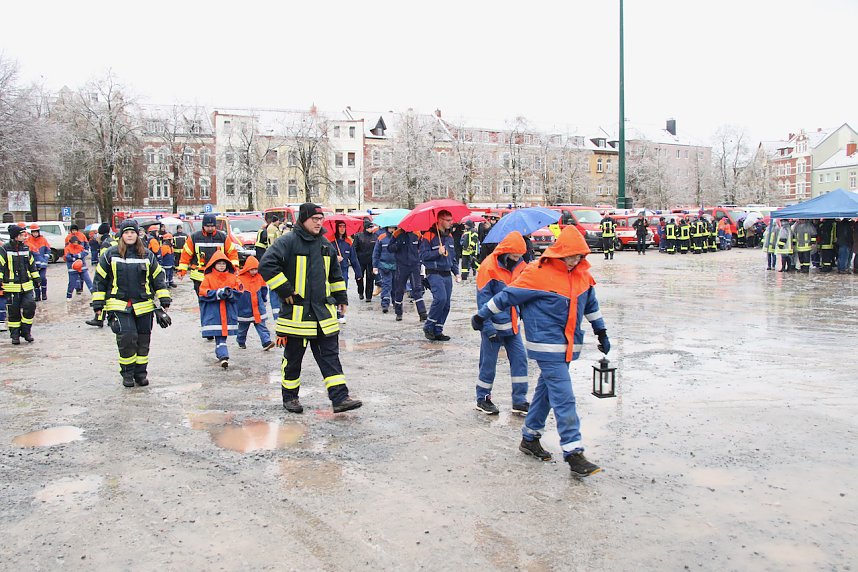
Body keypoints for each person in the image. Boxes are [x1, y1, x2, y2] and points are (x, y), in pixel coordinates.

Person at [472, 225, 608, 477]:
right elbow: (506, 297)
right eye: (570, 255)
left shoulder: (582, 276)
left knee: (545, 393)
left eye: (579, 255)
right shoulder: (537, 273)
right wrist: (482, 316)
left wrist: (601, 330)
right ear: (559, 254)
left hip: (568, 345)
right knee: (564, 396)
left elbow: (591, 304)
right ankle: (573, 452)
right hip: (545, 346)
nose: (574, 260)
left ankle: (530, 438)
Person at [259, 202, 362, 414]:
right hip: (297, 315)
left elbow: (335, 274)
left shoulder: (325, 244)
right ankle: (290, 398)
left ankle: (340, 398)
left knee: (330, 358)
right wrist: (285, 290)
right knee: (293, 360)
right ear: (303, 219)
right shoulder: (287, 242)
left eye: (320, 219)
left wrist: (341, 297)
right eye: (314, 219)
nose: (318, 223)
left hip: (323, 314)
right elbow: (266, 264)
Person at [91, 220, 171, 387]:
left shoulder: (147, 255)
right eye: (126, 232)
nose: (129, 235)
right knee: (127, 338)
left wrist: (164, 298)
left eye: (132, 232)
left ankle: (140, 373)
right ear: (121, 235)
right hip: (119, 305)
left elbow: (158, 278)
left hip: (144, 305)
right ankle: (127, 373)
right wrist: (98, 305)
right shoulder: (110, 254)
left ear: (137, 235)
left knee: (143, 341)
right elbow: (99, 280)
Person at [474, 231, 529, 415]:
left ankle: (519, 401)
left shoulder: (521, 266)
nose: (517, 258)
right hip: (493, 327)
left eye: (519, 255)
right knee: (488, 365)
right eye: (514, 255)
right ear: (506, 252)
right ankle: (482, 398)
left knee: (520, 361)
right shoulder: (488, 267)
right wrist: (487, 327)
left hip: (512, 326)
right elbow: (483, 301)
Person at [419, 209, 460, 341]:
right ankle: (429, 325)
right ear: (440, 220)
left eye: (451, 220)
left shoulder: (449, 237)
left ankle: (438, 330)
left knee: (446, 304)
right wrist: (438, 253)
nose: (451, 223)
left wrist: (456, 272)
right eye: (448, 220)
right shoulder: (428, 236)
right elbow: (423, 256)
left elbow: (452, 257)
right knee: (440, 299)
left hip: (447, 273)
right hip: (434, 273)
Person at [199, 251, 242, 368]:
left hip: (227, 312)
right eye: (219, 264)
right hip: (215, 312)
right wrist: (218, 293)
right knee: (220, 337)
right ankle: (223, 356)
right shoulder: (208, 278)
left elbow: (239, 291)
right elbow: (203, 293)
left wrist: (229, 293)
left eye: (224, 263)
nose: (222, 266)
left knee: (222, 336)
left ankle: (222, 355)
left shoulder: (233, 277)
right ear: (213, 265)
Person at [177, 213, 238, 295]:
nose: (210, 228)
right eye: (207, 226)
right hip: (199, 275)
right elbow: (186, 255)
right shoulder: (194, 237)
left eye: (212, 226)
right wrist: (182, 271)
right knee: (203, 300)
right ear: (203, 226)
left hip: (218, 275)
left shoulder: (223, 237)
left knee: (218, 299)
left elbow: (232, 253)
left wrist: (235, 268)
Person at [1, 224, 39, 344]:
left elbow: (32, 265)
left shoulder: (26, 249)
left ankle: (26, 331)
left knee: (30, 307)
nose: (24, 237)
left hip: (26, 285)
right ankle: (15, 335)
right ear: (15, 236)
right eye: (22, 235)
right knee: (14, 313)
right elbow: (0, 267)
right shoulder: (4, 250)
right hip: (11, 287)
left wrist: (36, 278)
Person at [236, 256, 275, 351]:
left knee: (262, 326)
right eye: (252, 269)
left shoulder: (260, 278)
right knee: (242, 329)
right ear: (247, 269)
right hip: (245, 309)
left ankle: (266, 342)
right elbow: (236, 293)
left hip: (258, 308)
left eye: (256, 269)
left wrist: (264, 301)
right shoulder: (240, 279)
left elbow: (264, 291)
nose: (254, 271)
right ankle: (240, 341)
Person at [389, 225, 427, 323]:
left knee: (417, 289)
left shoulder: (417, 233)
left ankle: (422, 313)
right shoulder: (397, 234)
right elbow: (389, 248)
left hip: (414, 265)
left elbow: (422, 246)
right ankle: (398, 313)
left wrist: (420, 260)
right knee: (399, 290)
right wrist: (397, 245)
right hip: (401, 266)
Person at [85, 224, 119, 327]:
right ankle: (111, 318)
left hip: (108, 273)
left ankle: (99, 319)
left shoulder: (105, 244)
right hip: (115, 271)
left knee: (102, 295)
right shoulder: (113, 241)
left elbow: (104, 261)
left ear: (100, 234)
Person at [331, 222, 362, 324]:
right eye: (340, 226)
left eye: (344, 226)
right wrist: (335, 258)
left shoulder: (349, 242)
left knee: (342, 292)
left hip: (343, 271)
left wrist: (358, 273)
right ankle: (332, 312)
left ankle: (341, 314)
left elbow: (354, 259)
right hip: (332, 271)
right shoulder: (330, 241)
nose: (342, 229)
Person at [372, 226, 397, 314]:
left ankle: (395, 302)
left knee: (395, 285)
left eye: (393, 227)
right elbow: (376, 252)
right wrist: (375, 265)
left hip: (396, 265)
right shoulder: (381, 237)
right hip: (384, 265)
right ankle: (385, 304)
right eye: (390, 227)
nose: (392, 229)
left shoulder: (398, 237)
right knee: (387, 284)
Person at [353, 219, 378, 303]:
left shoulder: (375, 236)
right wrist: (355, 259)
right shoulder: (358, 236)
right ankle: (360, 291)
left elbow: (377, 249)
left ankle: (368, 296)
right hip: (360, 260)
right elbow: (354, 248)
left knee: (370, 278)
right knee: (359, 277)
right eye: (370, 227)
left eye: (372, 227)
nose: (372, 228)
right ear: (366, 227)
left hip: (371, 261)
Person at [25, 224, 50, 301]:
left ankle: (44, 294)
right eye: (33, 232)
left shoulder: (43, 240)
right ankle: (37, 295)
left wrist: (45, 259)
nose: (35, 234)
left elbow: (48, 250)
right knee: (35, 280)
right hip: (33, 264)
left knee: (42, 278)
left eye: (36, 232)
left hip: (43, 264)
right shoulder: (28, 240)